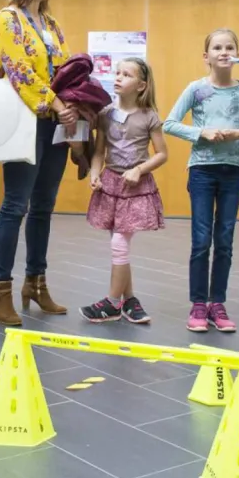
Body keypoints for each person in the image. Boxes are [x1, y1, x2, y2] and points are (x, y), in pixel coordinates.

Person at [0, 0, 76, 326]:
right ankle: (1, 289)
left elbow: (68, 68)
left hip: (55, 123)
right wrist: (56, 103)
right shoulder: (7, 19)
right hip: (24, 120)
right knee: (15, 206)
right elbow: (18, 71)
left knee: (44, 206)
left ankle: (36, 283)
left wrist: (73, 104)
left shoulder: (53, 24)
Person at [164, 29, 239, 333]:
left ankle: (217, 303)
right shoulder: (195, 89)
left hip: (233, 171)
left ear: (237, 54)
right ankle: (198, 303)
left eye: (229, 47)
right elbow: (169, 123)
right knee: (201, 239)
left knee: (225, 240)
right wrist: (200, 133)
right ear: (205, 56)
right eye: (217, 47)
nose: (223, 52)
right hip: (202, 171)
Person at [81, 58, 167, 324]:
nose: (118, 77)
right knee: (120, 247)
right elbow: (99, 152)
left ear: (141, 85)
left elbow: (162, 154)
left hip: (135, 188)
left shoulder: (149, 116)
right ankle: (129, 300)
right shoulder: (105, 114)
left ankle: (111, 303)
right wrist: (95, 173)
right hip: (111, 186)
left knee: (119, 244)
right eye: (117, 73)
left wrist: (140, 170)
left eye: (126, 75)